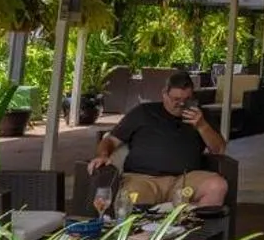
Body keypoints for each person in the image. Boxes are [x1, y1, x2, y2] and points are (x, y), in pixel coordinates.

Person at [87, 74, 229, 211]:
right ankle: (141, 235)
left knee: (217, 186)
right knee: (131, 198)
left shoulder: (201, 116)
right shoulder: (143, 112)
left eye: (186, 99)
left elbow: (219, 150)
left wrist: (202, 126)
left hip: (184, 180)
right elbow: (110, 140)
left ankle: (197, 233)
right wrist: (103, 155)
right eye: (176, 98)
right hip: (143, 180)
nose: (180, 104)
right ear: (164, 94)